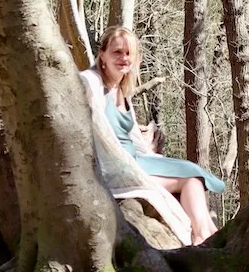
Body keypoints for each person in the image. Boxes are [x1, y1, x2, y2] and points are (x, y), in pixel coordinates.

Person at [80, 26, 224, 245]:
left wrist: (146, 142)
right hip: (119, 168)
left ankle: (208, 235)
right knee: (190, 179)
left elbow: (130, 135)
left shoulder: (123, 91)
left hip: (138, 159)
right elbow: (80, 87)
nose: (123, 58)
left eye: (129, 53)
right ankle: (201, 237)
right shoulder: (93, 83)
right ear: (102, 55)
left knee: (193, 173)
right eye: (117, 52)